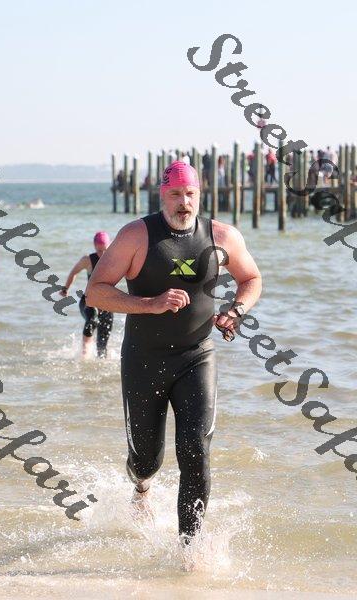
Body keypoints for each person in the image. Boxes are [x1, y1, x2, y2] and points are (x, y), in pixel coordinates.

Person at [85, 161, 262, 556]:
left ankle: (189, 551)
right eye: (175, 194)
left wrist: (236, 310)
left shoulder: (222, 236)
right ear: (162, 196)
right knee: (146, 460)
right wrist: (150, 303)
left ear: (200, 194)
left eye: (190, 194)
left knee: (196, 450)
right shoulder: (136, 235)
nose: (184, 202)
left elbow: (251, 278)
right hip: (143, 359)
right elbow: (96, 292)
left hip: (197, 356)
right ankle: (142, 488)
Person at [61, 231, 114, 358]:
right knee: (92, 319)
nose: (102, 254)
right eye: (99, 250)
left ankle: (101, 364)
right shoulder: (88, 260)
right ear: (94, 246)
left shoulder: (114, 259)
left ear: (109, 245)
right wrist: (65, 289)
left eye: (105, 250)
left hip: (107, 304)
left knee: (102, 347)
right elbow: (74, 272)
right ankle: (84, 356)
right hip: (88, 302)